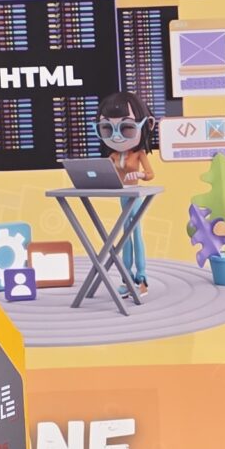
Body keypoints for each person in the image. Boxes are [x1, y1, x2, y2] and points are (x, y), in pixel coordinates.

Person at [96, 91, 156, 297]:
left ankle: (142, 276)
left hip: (135, 194)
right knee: (125, 235)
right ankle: (127, 276)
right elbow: (105, 171)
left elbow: (150, 174)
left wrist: (139, 174)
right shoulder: (113, 156)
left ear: (146, 125)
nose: (116, 136)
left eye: (127, 128)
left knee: (135, 232)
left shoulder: (138, 154)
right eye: (107, 128)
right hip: (122, 195)